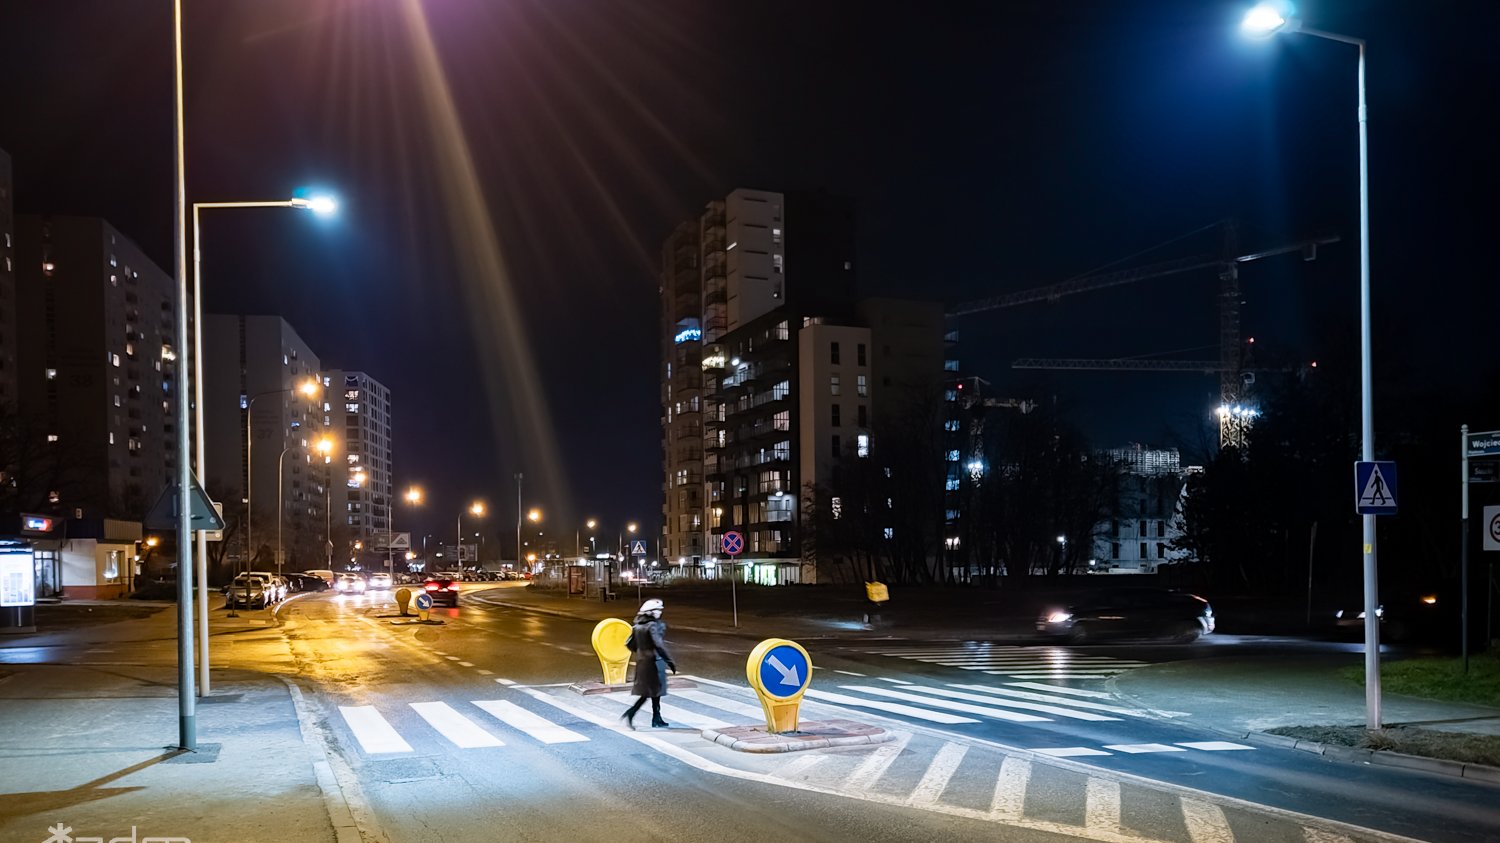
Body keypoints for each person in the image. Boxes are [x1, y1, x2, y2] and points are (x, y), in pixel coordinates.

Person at [622, 598, 676, 729]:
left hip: (642, 662)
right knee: (648, 693)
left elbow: (629, 644)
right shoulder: (651, 626)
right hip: (653, 662)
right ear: (650, 612)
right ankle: (631, 713)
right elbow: (659, 645)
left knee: (654, 692)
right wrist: (670, 661)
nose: (660, 612)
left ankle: (656, 718)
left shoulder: (637, 626)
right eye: (658, 610)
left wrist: (641, 652)